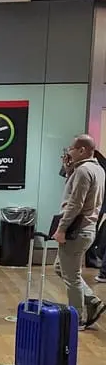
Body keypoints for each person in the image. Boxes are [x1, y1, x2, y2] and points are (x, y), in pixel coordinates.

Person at [53, 134, 106, 330]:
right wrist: (69, 171)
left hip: (77, 230)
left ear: (82, 150)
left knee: (72, 275)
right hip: (87, 229)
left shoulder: (83, 171)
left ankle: (76, 320)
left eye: (72, 149)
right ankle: (92, 301)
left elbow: (75, 204)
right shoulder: (97, 169)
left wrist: (61, 229)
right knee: (61, 268)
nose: (69, 152)